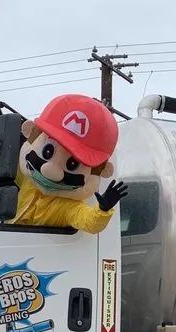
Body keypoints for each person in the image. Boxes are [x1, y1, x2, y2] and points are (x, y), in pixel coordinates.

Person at [10, 93, 128, 234]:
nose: (49, 169)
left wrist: (103, 210)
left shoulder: (66, 208)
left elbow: (89, 222)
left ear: (101, 171)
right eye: (47, 151)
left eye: (72, 164)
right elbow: (6, 170)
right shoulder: (28, 182)